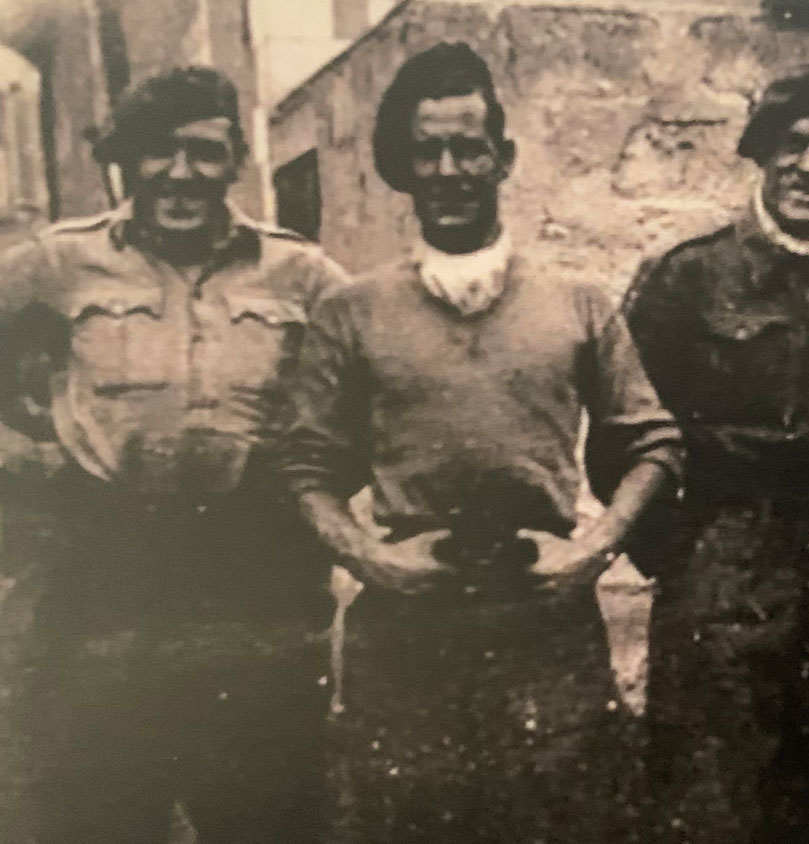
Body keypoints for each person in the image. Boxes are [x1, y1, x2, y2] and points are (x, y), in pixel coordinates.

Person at [274, 42, 682, 842]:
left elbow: (653, 445)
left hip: (545, 623)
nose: (450, 170)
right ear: (403, 168)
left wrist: (593, 550)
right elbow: (306, 466)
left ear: (504, 158)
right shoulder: (352, 312)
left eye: (469, 148)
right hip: (409, 626)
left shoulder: (578, 302)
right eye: (428, 152)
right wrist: (370, 559)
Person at [0, 67, 348, 843]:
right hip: (104, 587)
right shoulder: (58, 263)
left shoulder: (303, 274)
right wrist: (26, 462)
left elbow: (376, 386)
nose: (181, 173)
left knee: (269, 816)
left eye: (205, 151)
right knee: (99, 816)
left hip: (253, 588)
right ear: (127, 161)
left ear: (235, 163)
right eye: (158, 150)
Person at [622, 66, 809, 843]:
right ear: (761, 152)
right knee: (710, 809)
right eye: (794, 146)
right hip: (723, 590)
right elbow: (625, 435)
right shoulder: (689, 275)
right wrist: (685, 561)